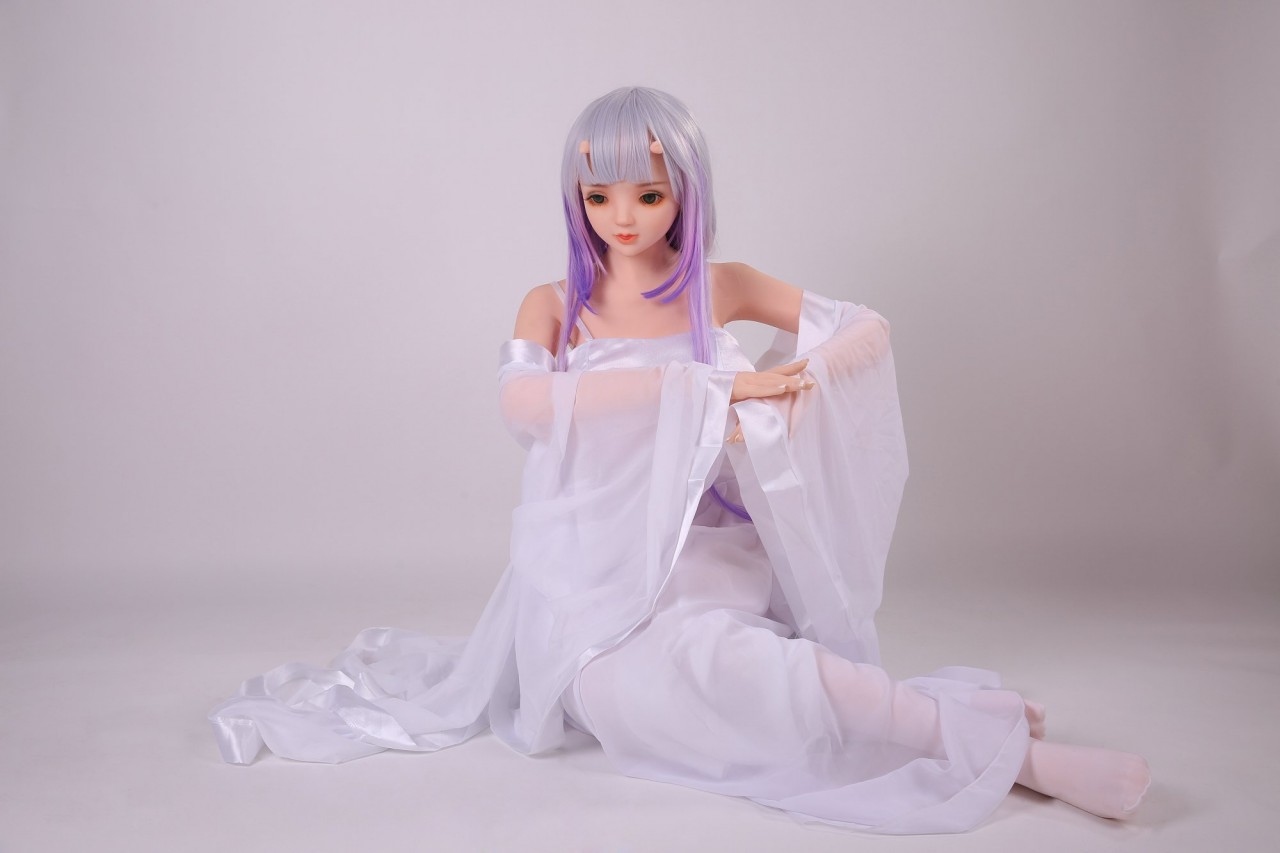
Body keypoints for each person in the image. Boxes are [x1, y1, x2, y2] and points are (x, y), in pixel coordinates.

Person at [208, 86, 1150, 835]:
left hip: (703, 563)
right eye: (599, 195)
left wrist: (792, 388)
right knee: (660, 701)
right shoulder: (554, 305)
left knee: (746, 669)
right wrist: (705, 392)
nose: (622, 217)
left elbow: (863, 329)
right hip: (586, 588)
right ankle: (970, 730)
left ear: (685, 193)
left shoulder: (717, 287)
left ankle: (1011, 756)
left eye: (648, 194)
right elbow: (524, 405)